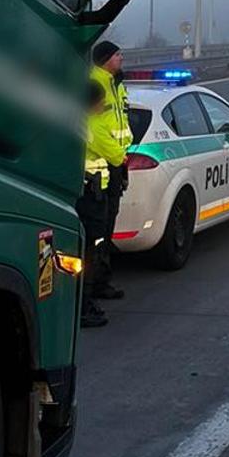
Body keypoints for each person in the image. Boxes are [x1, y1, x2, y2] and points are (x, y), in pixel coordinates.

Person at [78, 73, 123, 327]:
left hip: (80, 193)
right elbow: (116, 156)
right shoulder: (94, 125)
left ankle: (83, 301)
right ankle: (85, 305)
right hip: (93, 196)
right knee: (91, 250)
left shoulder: (73, 121)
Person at [91, 41, 132, 302]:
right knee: (99, 229)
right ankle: (95, 284)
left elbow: (121, 121)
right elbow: (94, 128)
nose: (121, 59)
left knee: (108, 225)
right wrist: (118, 157)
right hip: (102, 165)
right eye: (118, 55)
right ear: (106, 58)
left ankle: (101, 281)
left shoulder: (116, 84)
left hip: (116, 164)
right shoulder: (96, 84)